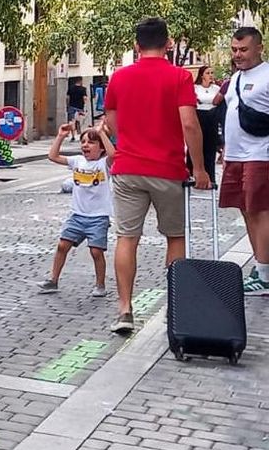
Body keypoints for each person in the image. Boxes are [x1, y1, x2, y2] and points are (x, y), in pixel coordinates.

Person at [104, 17, 210, 334]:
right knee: (175, 237)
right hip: (167, 169)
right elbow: (189, 123)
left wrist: (127, 143)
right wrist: (200, 168)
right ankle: (174, 307)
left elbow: (111, 120)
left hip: (127, 168)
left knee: (127, 238)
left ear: (136, 45)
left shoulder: (119, 77)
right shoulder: (179, 77)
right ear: (168, 43)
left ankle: (125, 310)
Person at [36, 121, 116, 297]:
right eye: (83, 142)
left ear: (101, 148)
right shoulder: (77, 161)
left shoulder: (104, 163)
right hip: (77, 215)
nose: (85, 145)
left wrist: (102, 133)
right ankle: (53, 280)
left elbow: (113, 155)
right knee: (62, 246)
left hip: (98, 217)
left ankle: (100, 285)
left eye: (91, 142)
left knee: (96, 251)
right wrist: (60, 136)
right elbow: (53, 156)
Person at [217, 27, 269, 294]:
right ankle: (261, 265)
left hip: (260, 155)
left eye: (244, 49)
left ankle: (265, 274)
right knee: (246, 210)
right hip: (235, 155)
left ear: (259, 48)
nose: (237, 54)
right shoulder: (236, 77)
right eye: (234, 49)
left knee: (261, 211)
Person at [193, 65, 223, 183]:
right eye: (207, 73)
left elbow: (218, 102)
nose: (210, 75)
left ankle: (210, 176)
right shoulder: (195, 88)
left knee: (210, 147)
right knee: (197, 146)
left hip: (212, 118)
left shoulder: (216, 88)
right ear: (202, 75)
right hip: (199, 117)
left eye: (212, 73)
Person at [67, 76, 88, 141]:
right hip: (80, 107)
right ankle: (81, 135)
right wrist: (85, 105)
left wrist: (68, 105)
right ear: (80, 81)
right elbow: (84, 98)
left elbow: (68, 98)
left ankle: (73, 136)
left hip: (72, 106)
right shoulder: (83, 89)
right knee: (80, 121)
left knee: (72, 121)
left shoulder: (71, 88)